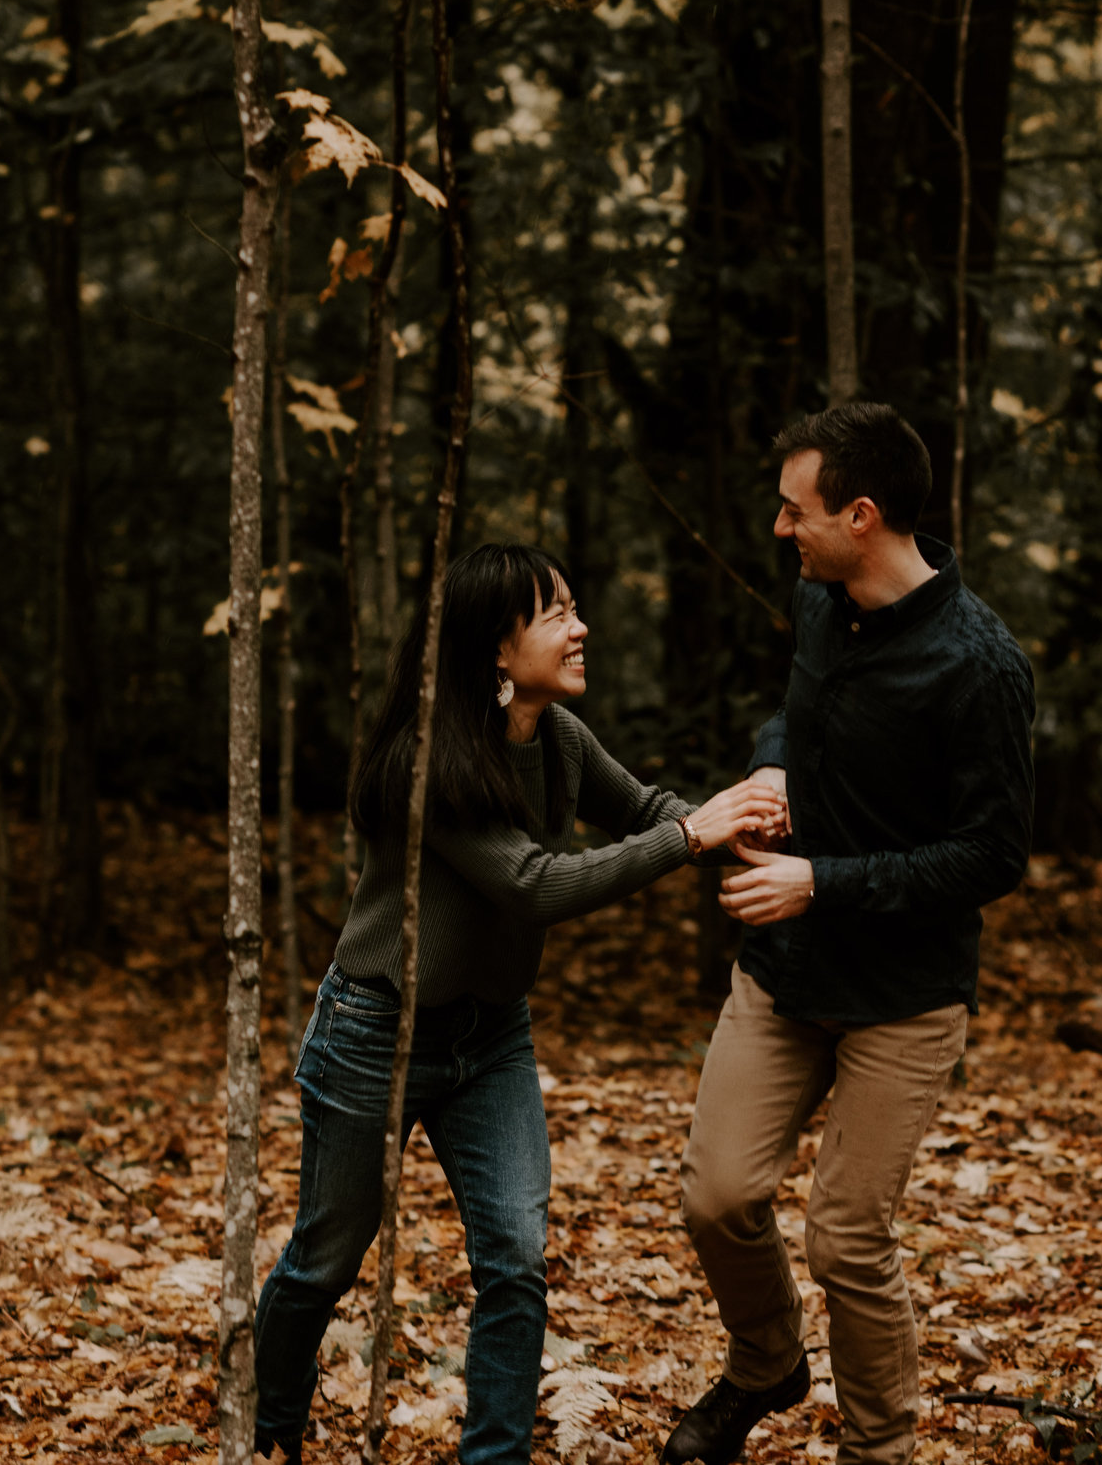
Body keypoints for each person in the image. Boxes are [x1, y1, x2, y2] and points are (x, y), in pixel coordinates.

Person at [254, 542, 789, 1465]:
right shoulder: (430, 762)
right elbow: (535, 885)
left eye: (577, 607)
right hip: (377, 1032)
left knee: (516, 1258)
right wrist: (690, 835)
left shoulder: (560, 741)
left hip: (491, 1037)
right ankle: (269, 1440)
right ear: (497, 651)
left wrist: (738, 825)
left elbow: (647, 809)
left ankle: (492, 1459)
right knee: (324, 1262)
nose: (582, 629)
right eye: (557, 615)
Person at [668, 403, 1035, 1465]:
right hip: (785, 975)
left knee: (845, 1238)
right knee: (718, 1196)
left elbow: (992, 858)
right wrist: (777, 761)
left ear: (860, 516)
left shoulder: (981, 667)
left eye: (797, 511)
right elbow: (798, 710)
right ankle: (766, 1363)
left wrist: (821, 881)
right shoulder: (823, 605)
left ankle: (879, 1451)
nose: (781, 530)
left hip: (905, 995)